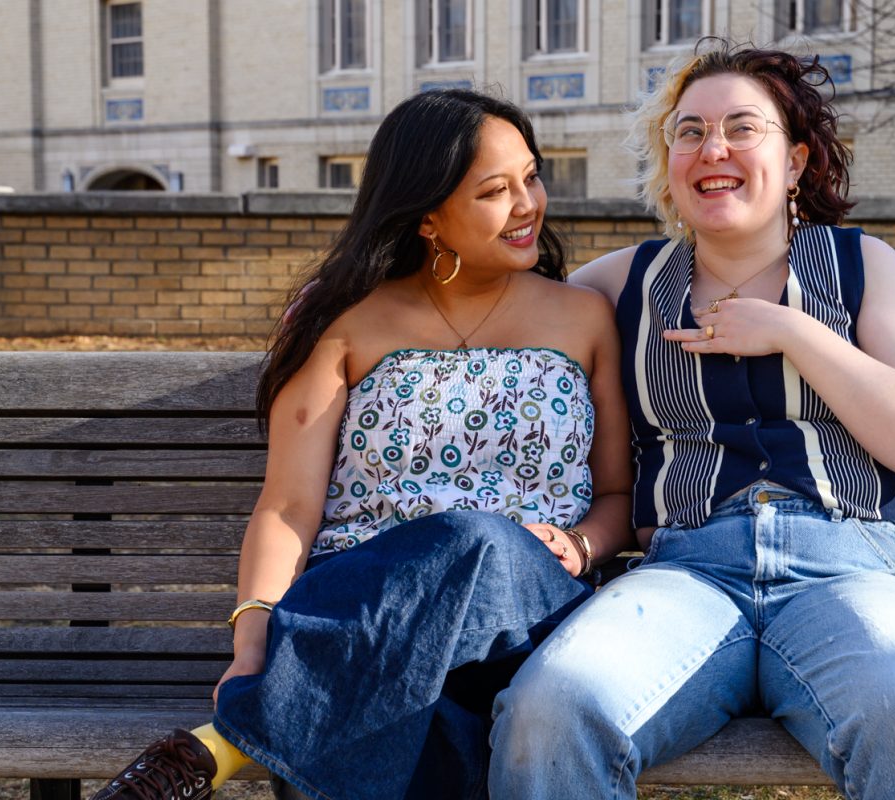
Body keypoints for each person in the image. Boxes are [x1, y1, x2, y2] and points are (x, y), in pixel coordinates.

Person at [488, 38, 895, 800]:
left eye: (741, 128)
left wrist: (794, 333)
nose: (711, 147)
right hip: (685, 579)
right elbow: (482, 312)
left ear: (793, 162)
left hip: (850, 574)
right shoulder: (624, 282)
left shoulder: (862, 266)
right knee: (550, 709)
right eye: (688, 131)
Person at [90, 88, 631, 800]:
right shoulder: (344, 322)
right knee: (430, 727)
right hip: (361, 603)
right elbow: (287, 507)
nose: (529, 203)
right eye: (496, 191)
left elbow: (620, 492)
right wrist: (253, 639)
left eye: (532, 177)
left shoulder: (583, 317)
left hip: (527, 602)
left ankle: (221, 747)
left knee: (481, 541)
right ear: (429, 217)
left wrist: (582, 546)